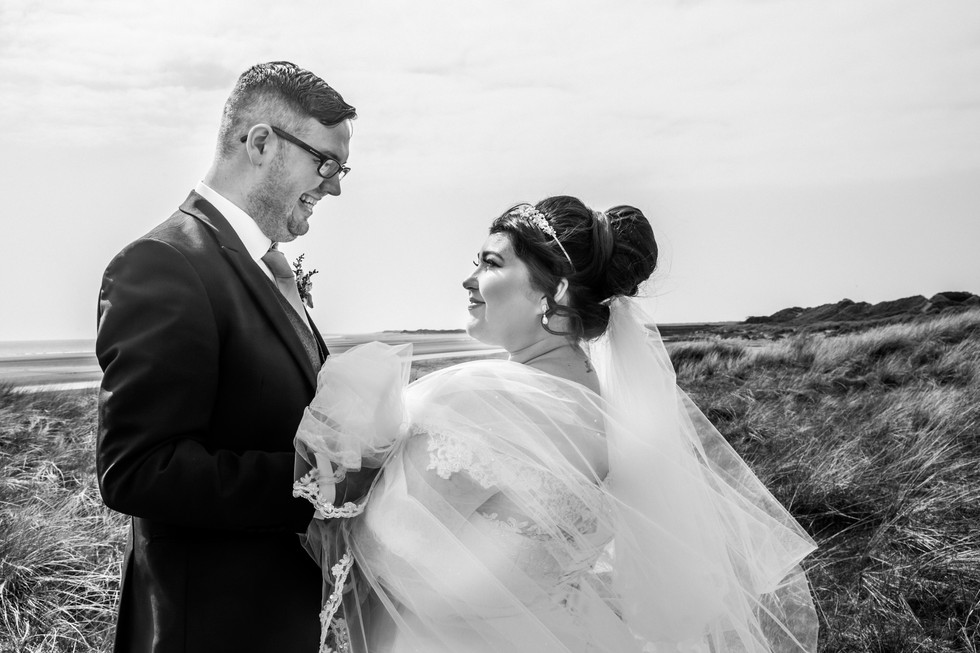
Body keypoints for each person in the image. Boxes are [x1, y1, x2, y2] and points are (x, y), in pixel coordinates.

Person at [294, 196, 819, 652]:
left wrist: (345, 462)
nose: (469, 279)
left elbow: (406, 566)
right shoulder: (607, 412)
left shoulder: (484, 400)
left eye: (491, 263)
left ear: (557, 292)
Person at [95, 61, 366, 652]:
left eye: (342, 169)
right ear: (262, 143)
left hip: (281, 623)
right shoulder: (165, 264)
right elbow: (138, 470)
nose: (335, 185)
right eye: (326, 163)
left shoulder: (266, 269)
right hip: (209, 632)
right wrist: (323, 482)